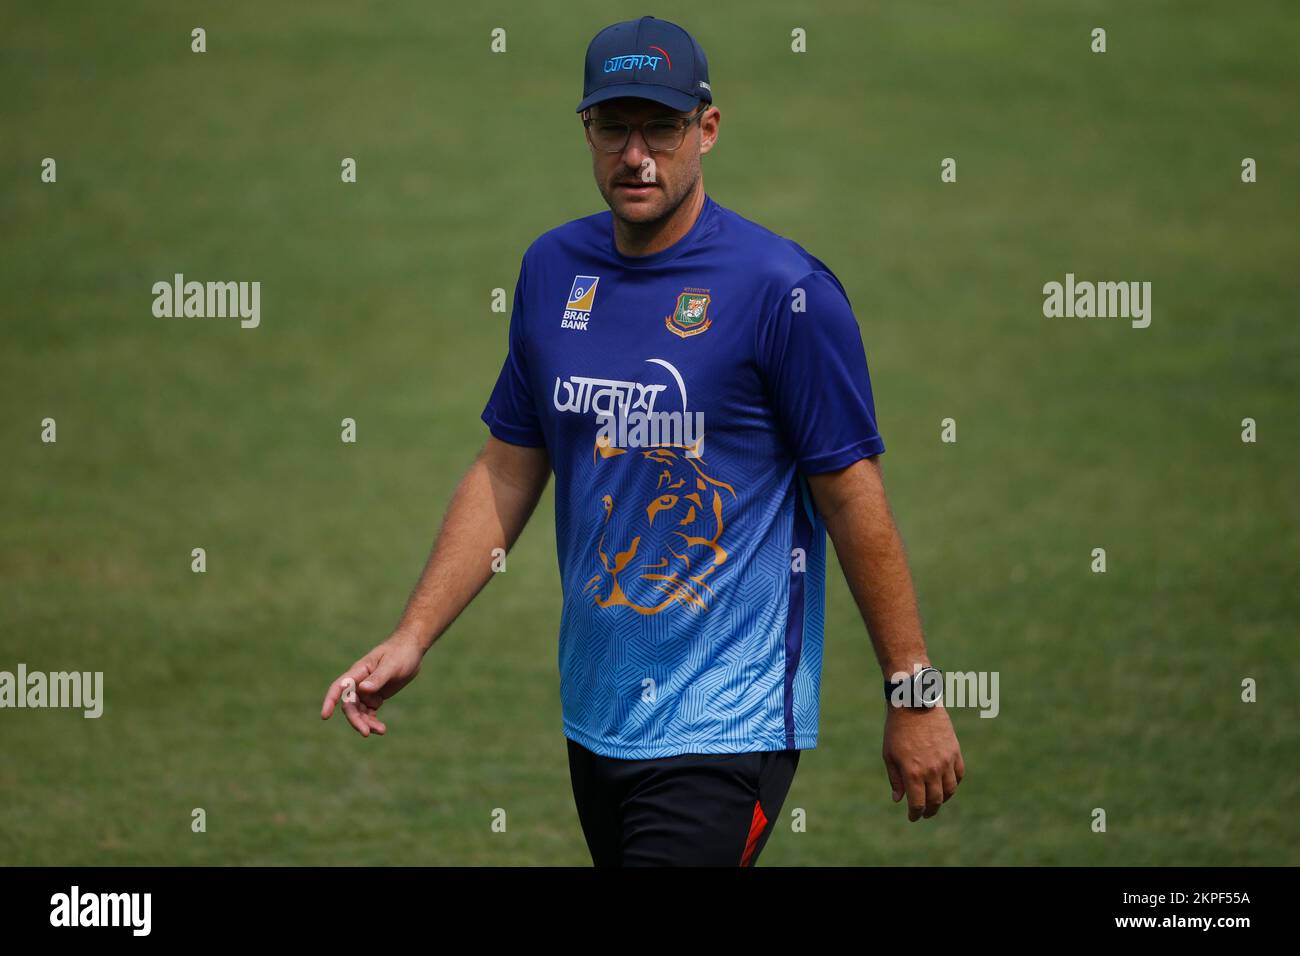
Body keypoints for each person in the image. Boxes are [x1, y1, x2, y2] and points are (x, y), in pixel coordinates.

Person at [321, 15, 964, 866]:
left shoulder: (785, 293)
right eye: (613, 126)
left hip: (726, 722)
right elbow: (509, 468)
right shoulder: (552, 271)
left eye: (660, 127)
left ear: (707, 128)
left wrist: (913, 692)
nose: (636, 154)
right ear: (585, 129)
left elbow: (851, 495)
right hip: (597, 716)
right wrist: (412, 636)